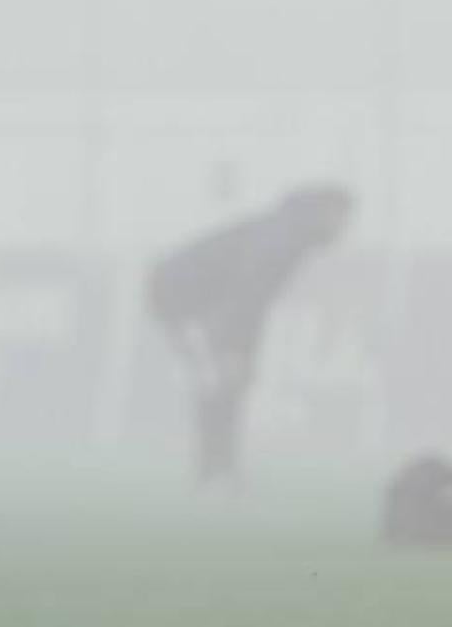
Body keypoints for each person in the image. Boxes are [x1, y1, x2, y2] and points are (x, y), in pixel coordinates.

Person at [148, 184, 352, 484]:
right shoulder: (282, 240)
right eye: (340, 217)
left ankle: (216, 470)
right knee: (220, 380)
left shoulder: (288, 233)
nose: (343, 228)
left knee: (224, 381)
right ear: (321, 212)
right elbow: (248, 296)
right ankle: (215, 472)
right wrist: (235, 349)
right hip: (181, 298)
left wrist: (240, 350)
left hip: (200, 301)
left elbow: (253, 299)